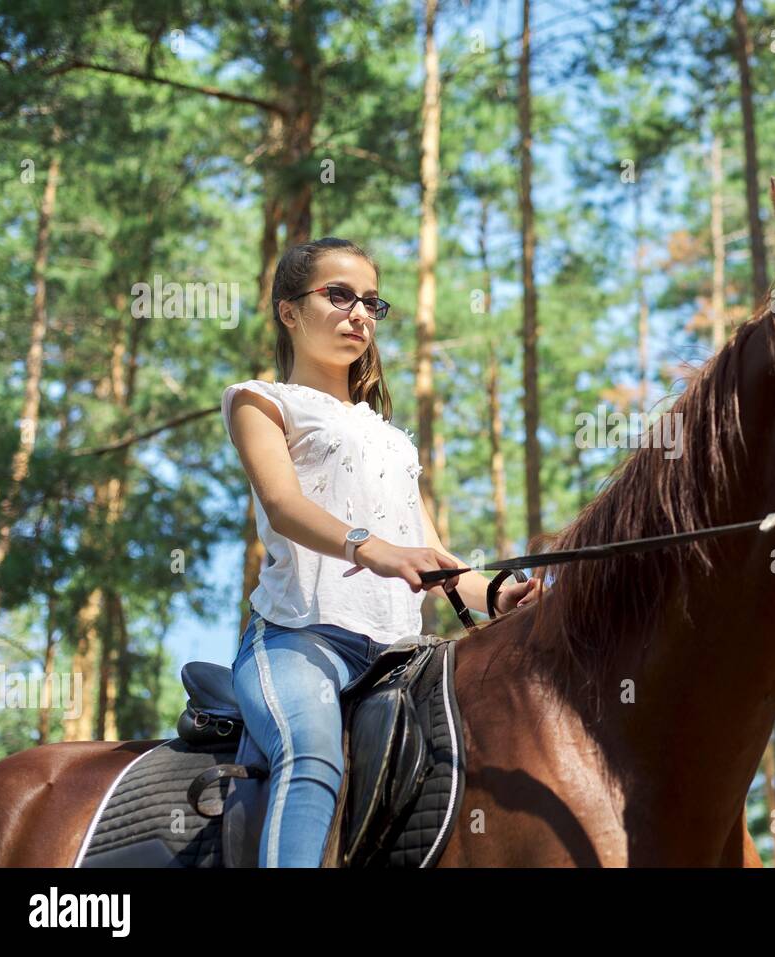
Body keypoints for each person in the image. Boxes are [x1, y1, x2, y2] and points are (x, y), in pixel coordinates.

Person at [220, 237, 541, 867]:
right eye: (338, 295)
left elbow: (435, 558)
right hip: (299, 639)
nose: (359, 313)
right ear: (289, 310)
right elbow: (284, 505)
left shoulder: (390, 437)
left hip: (402, 655)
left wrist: (499, 593)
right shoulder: (261, 400)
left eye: (371, 301)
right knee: (310, 754)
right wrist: (372, 549)